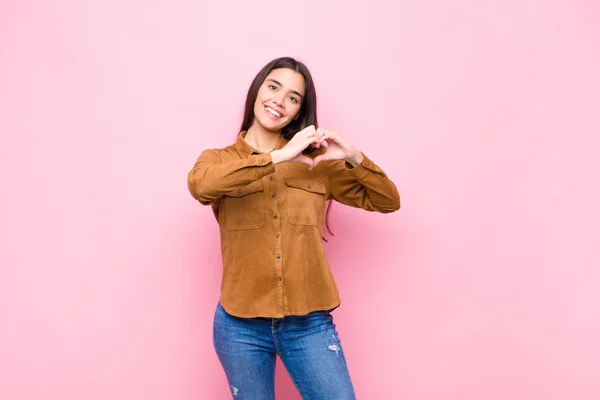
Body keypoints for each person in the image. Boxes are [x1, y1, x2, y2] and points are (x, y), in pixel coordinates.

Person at [187, 56, 400, 399]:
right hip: (239, 325)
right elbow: (201, 186)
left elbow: (387, 200)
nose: (279, 100)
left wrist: (354, 156)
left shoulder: (315, 166)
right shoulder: (219, 160)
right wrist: (279, 157)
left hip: (309, 325)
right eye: (273, 87)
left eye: (293, 97)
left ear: (299, 111)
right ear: (257, 90)